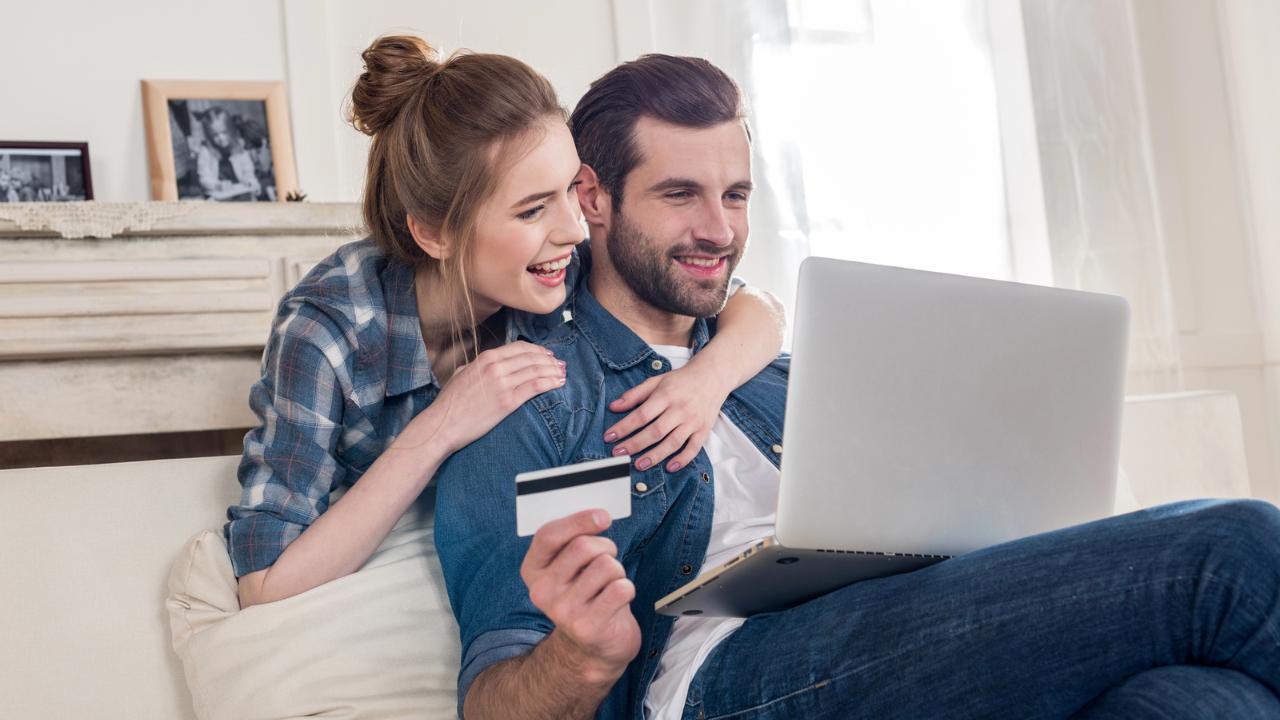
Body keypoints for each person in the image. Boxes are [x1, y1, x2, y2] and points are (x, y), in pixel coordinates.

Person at [432, 53, 1280, 719]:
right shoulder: (532, 403)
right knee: (1234, 550)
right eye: (680, 194)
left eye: (735, 194)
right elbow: (495, 700)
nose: (720, 230)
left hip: (892, 628)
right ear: (595, 197)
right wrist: (583, 655)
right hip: (722, 676)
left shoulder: (781, 370)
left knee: (1204, 702)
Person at [223, 37, 786, 611]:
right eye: (531, 209)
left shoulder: (558, 264)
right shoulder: (327, 331)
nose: (573, 227)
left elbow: (757, 308)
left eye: (570, 190)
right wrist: (441, 427)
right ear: (435, 233)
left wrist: (704, 382)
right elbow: (265, 584)